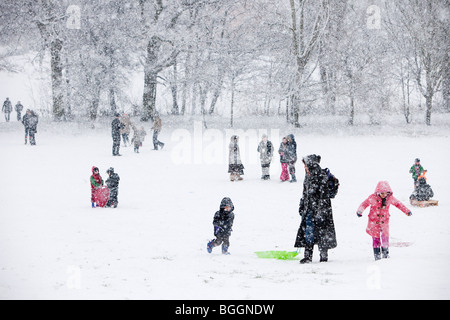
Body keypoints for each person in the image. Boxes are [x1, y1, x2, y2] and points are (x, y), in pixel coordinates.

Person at [294, 154, 337, 263]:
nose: (304, 167)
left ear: (311, 164)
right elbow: (305, 193)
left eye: (305, 165)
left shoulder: (321, 176)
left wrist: (320, 211)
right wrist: (302, 206)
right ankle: (308, 256)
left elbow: (324, 196)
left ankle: (323, 256)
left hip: (321, 212)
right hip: (309, 210)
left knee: (322, 233)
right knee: (309, 233)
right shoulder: (307, 176)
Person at [357, 181, 412, 260]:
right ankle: (377, 255)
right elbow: (364, 204)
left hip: (384, 221)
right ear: (378, 192)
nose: (384, 195)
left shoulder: (390, 198)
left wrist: (407, 211)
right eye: (382, 193)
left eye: (386, 193)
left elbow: (398, 204)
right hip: (374, 221)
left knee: (385, 237)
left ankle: (385, 254)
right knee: (375, 238)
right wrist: (360, 211)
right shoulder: (372, 198)